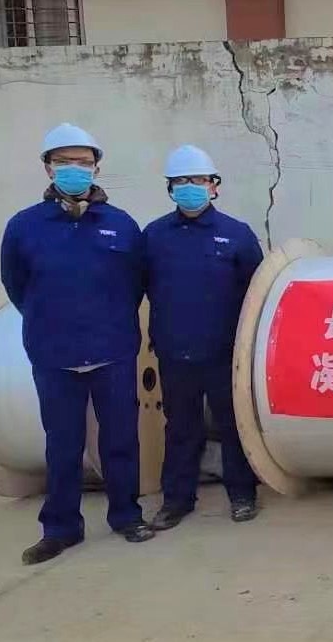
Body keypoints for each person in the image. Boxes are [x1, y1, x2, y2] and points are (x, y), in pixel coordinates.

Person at [0, 123, 153, 565]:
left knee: (120, 439)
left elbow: (135, 284)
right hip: (54, 353)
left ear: (97, 168)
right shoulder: (24, 227)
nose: (74, 169)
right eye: (64, 162)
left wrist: (108, 321)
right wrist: (52, 320)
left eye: (83, 162)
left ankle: (126, 515)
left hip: (113, 350)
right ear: (48, 168)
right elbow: (16, 285)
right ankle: (61, 528)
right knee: (62, 444)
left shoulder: (120, 225)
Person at [142, 144, 264, 529]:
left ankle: (242, 494)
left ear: (214, 186)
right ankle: (176, 500)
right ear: (170, 188)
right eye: (181, 181)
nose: (190, 187)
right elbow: (139, 287)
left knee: (234, 426)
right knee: (181, 428)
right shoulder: (154, 236)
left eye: (198, 180)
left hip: (226, 354)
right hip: (175, 353)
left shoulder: (237, 235)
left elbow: (256, 293)